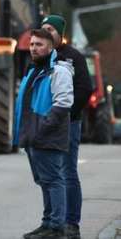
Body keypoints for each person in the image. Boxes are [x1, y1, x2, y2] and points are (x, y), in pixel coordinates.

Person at [14, 28, 74, 239]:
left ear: (50, 47)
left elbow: (63, 103)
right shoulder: (34, 71)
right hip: (33, 136)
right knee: (44, 181)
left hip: (47, 136)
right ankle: (47, 223)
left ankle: (56, 227)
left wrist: (42, 128)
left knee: (53, 181)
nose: (34, 48)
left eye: (39, 45)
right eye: (32, 44)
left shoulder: (59, 71)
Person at [41, 15, 92, 239]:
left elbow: (84, 89)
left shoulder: (73, 57)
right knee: (49, 175)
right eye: (43, 28)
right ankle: (52, 223)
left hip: (69, 123)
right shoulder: (41, 57)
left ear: (60, 33)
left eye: (50, 29)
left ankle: (72, 223)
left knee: (67, 172)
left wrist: (66, 112)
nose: (46, 32)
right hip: (46, 125)